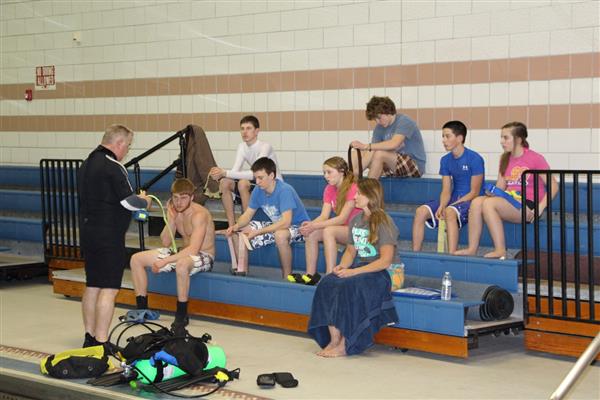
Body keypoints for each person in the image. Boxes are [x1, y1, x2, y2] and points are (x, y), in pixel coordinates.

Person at [308, 178, 400, 357]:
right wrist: (341, 267)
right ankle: (334, 340)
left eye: (359, 193)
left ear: (370, 196)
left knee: (351, 286)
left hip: (384, 272)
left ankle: (346, 343)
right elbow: (351, 251)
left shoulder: (384, 221)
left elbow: (385, 260)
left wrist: (353, 272)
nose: (355, 197)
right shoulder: (356, 220)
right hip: (363, 268)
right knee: (328, 282)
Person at [78, 124, 151, 348]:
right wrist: (145, 201)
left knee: (93, 285)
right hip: (108, 236)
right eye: (127, 146)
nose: (126, 151)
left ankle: (89, 337)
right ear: (118, 143)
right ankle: (102, 341)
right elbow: (129, 202)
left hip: (88, 233)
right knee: (109, 288)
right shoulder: (113, 166)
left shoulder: (85, 164)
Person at [454, 122, 558, 258]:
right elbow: (500, 187)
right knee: (477, 201)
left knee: (488, 204)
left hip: (528, 206)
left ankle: (500, 250)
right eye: (501, 138)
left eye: (506, 138)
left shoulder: (535, 158)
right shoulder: (505, 159)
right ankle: (472, 248)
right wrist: (492, 192)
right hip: (509, 201)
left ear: (519, 139)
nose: (502, 141)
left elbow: (554, 185)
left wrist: (540, 207)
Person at [129, 178, 215, 331]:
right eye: (175, 198)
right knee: (136, 259)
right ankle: (142, 308)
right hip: (182, 251)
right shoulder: (175, 210)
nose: (178, 202)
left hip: (204, 255)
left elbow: (194, 250)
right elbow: (166, 241)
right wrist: (172, 220)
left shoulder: (199, 215)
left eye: (183, 198)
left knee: (182, 264)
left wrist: (164, 261)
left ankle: (181, 314)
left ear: (192, 197)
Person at [226, 157, 309, 278]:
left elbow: (286, 222)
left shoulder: (284, 190)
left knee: (280, 235)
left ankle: (287, 276)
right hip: (278, 225)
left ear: (271, 176)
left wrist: (259, 231)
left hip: (299, 227)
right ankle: (242, 271)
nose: (257, 182)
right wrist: (236, 226)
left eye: (261, 178)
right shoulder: (258, 190)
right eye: (256, 178)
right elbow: (248, 214)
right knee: (242, 230)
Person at [412, 121, 485, 253]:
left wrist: (451, 206)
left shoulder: (475, 159)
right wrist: (441, 206)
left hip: (470, 201)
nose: (444, 140)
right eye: (443, 136)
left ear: (459, 138)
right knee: (420, 211)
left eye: (447, 136)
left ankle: (452, 256)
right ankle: (415, 253)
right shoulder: (445, 160)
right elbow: (446, 190)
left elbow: (474, 192)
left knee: (450, 212)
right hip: (453, 199)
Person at [209, 115, 282, 230]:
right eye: (242, 128)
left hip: (273, 186)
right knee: (224, 182)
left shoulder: (265, 147)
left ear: (257, 131)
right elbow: (234, 171)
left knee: (242, 183)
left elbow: (255, 174)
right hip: (258, 184)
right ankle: (232, 226)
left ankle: (246, 225)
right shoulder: (242, 146)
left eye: (248, 128)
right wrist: (221, 175)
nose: (244, 132)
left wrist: (225, 172)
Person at [298, 157, 361, 281]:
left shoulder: (353, 188)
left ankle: (329, 275)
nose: (326, 176)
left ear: (342, 171)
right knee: (312, 233)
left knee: (329, 231)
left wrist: (314, 225)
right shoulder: (329, 189)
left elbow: (342, 218)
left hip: (359, 230)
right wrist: (310, 225)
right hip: (344, 230)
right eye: (324, 173)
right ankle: (310, 275)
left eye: (329, 172)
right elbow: (324, 216)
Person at [350, 96, 426, 179]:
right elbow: (372, 150)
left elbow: (394, 144)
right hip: (393, 165)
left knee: (379, 154)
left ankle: (368, 190)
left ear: (388, 111)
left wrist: (365, 146)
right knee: (356, 154)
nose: (378, 122)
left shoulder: (404, 121)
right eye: (375, 120)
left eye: (379, 118)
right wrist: (357, 171)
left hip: (414, 166)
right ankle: (353, 186)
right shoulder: (379, 127)